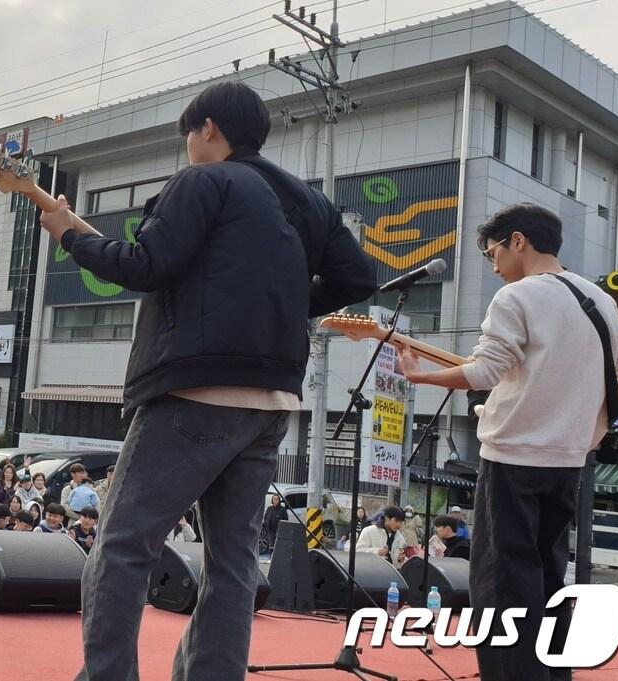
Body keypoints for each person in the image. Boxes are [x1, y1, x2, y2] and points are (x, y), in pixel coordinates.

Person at [39, 80, 375, 680]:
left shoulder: (202, 180)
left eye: (189, 134)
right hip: (273, 401)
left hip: (193, 391)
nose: (189, 146)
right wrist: (282, 302)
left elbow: (145, 265)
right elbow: (357, 281)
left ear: (209, 129)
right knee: (234, 561)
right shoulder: (310, 202)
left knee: (122, 547)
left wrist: (68, 234)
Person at [397, 205, 618, 680]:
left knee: (503, 584)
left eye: (492, 252)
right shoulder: (598, 299)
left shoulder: (516, 297)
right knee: (549, 577)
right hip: (570, 459)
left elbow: (485, 370)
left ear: (518, 241)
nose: (493, 265)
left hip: (513, 456)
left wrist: (419, 373)